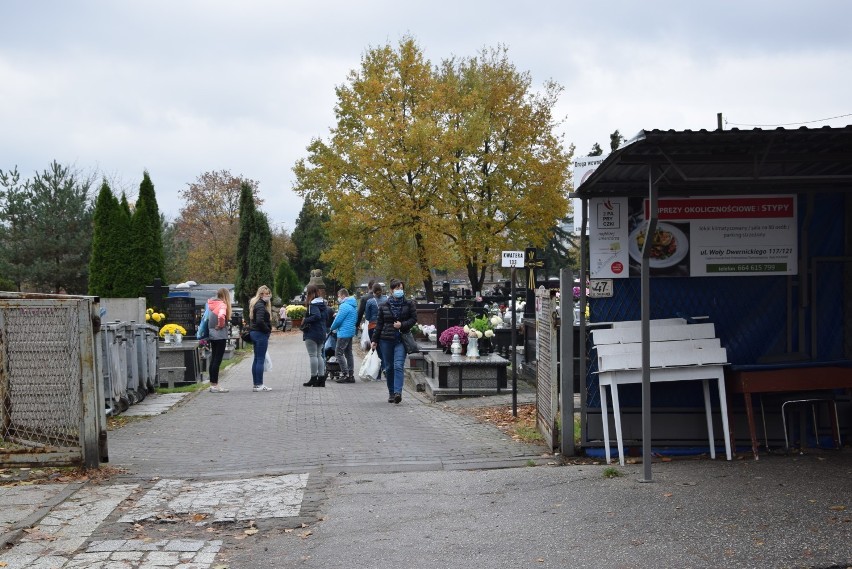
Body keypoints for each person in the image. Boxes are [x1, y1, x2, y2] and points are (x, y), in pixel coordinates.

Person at [371, 278, 417, 404]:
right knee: (389, 367)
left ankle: (398, 392)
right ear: (391, 290)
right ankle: (391, 392)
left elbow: (413, 319)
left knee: (398, 365)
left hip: (401, 339)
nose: (399, 291)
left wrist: (402, 324)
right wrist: (374, 340)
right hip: (386, 340)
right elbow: (379, 324)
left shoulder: (408, 304)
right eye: (397, 288)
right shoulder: (384, 306)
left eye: (401, 288)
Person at [301, 284, 329, 387]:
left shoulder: (313, 305)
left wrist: (305, 320)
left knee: (313, 355)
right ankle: (321, 378)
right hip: (321, 332)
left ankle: (313, 378)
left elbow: (316, 316)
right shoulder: (323, 304)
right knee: (319, 355)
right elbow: (325, 317)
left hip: (312, 332)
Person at [248, 285, 273, 392]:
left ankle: (256, 384)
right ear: (261, 294)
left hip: (254, 333)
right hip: (260, 334)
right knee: (260, 359)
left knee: (257, 359)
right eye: (266, 294)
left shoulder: (256, 304)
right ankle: (259, 384)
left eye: (268, 294)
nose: (268, 296)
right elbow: (259, 321)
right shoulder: (261, 306)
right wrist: (267, 329)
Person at [207, 288, 232, 393]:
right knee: (217, 360)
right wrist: (220, 325)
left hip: (212, 334)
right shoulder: (222, 305)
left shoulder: (211, 304)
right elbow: (221, 316)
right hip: (220, 335)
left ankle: (212, 384)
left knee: (213, 359)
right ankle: (215, 385)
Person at [329, 288, 357, 383]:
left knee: (338, 353)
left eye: (339, 296)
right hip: (350, 332)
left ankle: (345, 374)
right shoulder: (353, 305)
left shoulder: (344, 306)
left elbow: (338, 320)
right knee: (348, 353)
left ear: (343, 295)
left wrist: (332, 328)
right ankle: (351, 374)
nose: (339, 298)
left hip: (344, 333)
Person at [363, 283, 388, 382]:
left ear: (372, 291)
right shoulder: (386, 299)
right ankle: (385, 367)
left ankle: (377, 374)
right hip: (384, 327)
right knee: (384, 348)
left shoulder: (370, 301)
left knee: (375, 349)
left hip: (373, 326)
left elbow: (367, 317)